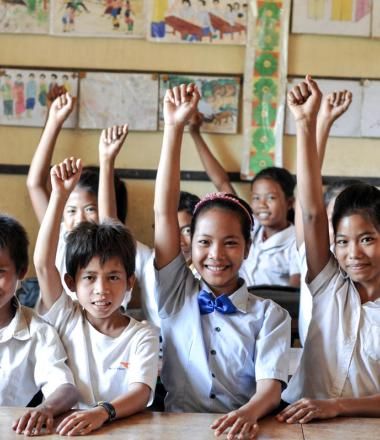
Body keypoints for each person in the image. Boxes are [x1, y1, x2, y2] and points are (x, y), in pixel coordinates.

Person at [155, 83, 290, 438]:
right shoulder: (174, 292)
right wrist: (174, 128)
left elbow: (271, 388)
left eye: (230, 243)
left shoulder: (271, 316)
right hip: (175, 430)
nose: (216, 255)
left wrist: (246, 414)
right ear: (190, 244)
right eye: (204, 242)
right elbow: (165, 212)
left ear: (248, 247)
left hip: (243, 429)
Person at [277, 75, 380, 423]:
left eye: (367, 239)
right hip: (297, 423)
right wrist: (306, 124)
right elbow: (310, 212)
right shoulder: (329, 284)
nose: (354, 253)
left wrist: (337, 407)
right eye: (343, 242)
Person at [33, 157, 159, 435]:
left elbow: (140, 392)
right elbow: (43, 263)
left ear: (129, 282)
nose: (101, 290)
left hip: (120, 428)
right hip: (64, 429)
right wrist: (59, 195)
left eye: (113, 277)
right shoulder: (66, 315)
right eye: (89, 278)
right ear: (71, 282)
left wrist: (103, 412)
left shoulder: (143, 334)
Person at [27, 92, 128, 298]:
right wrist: (54, 121)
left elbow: (109, 220)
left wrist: (107, 160)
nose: (80, 218)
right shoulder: (61, 236)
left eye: (90, 209)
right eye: (71, 210)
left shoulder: (115, 245)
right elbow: (35, 184)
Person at [189, 111, 300, 287]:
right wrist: (195, 133)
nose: (261, 204)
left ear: (289, 203)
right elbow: (222, 183)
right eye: (256, 198)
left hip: (271, 310)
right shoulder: (249, 226)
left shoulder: (296, 242)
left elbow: (296, 296)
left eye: (271, 197)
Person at [0, 214, 78, 436]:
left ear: (21, 272)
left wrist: (46, 408)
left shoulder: (38, 332)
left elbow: (65, 388)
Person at [295, 88, 354, 345]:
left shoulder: (368, 267)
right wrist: (321, 124)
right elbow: (308, 208)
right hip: (314, 380)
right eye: (332, 219)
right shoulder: (313, 256)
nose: (341, 232)